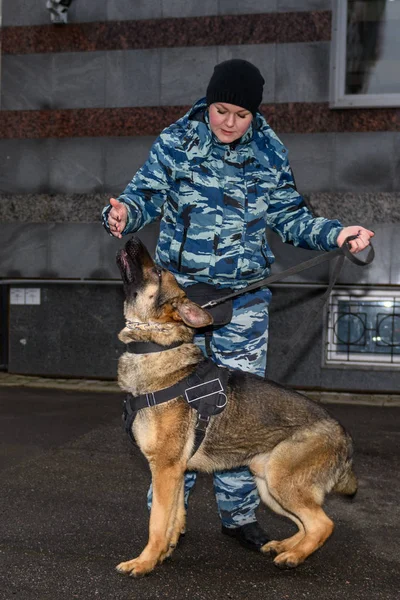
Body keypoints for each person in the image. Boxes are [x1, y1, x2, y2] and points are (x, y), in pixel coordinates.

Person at [102, 59, 374, 552]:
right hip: (175, 304)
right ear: (208, 104)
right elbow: (143, 195)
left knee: (241, 415)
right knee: (170, 419)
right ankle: (165, 524)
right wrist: (123, 211)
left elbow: (292, 217)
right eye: (220, 110)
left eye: (240, 114)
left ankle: (239, 518)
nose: (228, 122)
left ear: (255, 115)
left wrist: (337, 233)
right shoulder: (177, 140)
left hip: (241, 303)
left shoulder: (269, 152)